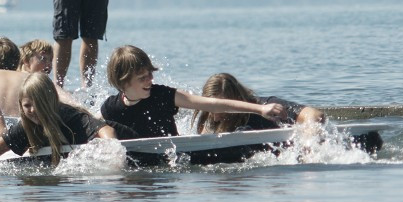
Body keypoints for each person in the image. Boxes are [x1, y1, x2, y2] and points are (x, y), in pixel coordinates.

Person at [100, 45, 287, 139]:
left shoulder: (162, 96)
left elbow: (210, 103)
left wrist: (259, 109)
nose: (150, 80)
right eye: (142, 78)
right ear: (123, 81)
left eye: (150, 74)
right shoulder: (110, 109)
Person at [0, 73, 117, 165]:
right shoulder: (26, 127)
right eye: (27, 105)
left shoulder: (69, 116)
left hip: (125, 135)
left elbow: (107, 130)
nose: (32, 110)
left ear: (50, 101)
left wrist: (113, 155)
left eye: (38, 104)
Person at [193, 73, 325, 134]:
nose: (216, 117)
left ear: (237, 99)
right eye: (212, 110)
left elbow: (314, 114)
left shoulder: (266, 106)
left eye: (223, 110)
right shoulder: (208, 116)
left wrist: (309, 140)